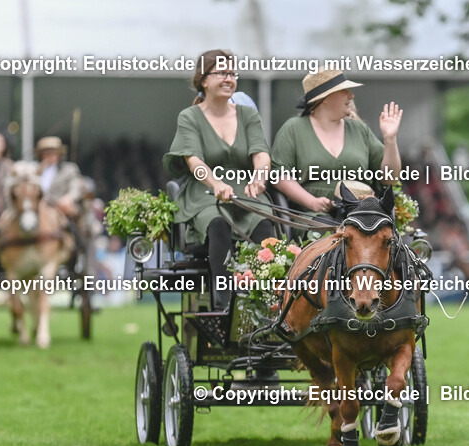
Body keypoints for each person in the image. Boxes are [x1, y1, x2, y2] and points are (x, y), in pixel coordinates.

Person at [162, 49, 274, 310]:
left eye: (232, 73)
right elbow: (194, 162)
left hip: (246, 192)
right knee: (217, 224)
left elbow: (261, 154)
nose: (229, 78)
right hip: (204, 193)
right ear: (203, 80)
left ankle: (267, 302)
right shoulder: (189, 117)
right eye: (221, 73)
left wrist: (259, 178)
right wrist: (216, 185)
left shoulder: (248, 115)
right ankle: (223, 305)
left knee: (264, 226)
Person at [271, 69, 403, 215]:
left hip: (363, 216)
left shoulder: (360, 129)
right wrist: (311, 202)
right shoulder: (293, 128)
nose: (351, 95)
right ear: (326, 97)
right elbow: (279, 176)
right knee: (327, 234)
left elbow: (390, 178)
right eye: (344, 90)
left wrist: (390, 139)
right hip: (313, 217)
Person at [35, 136, 86, 218]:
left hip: (60, 207)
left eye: (53, 153)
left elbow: (76, 187)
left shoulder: (69, 169)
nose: (49, 157)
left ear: (59, 155)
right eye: (46, 154)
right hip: (38, 209)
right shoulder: (35, 170)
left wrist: (69, 198)